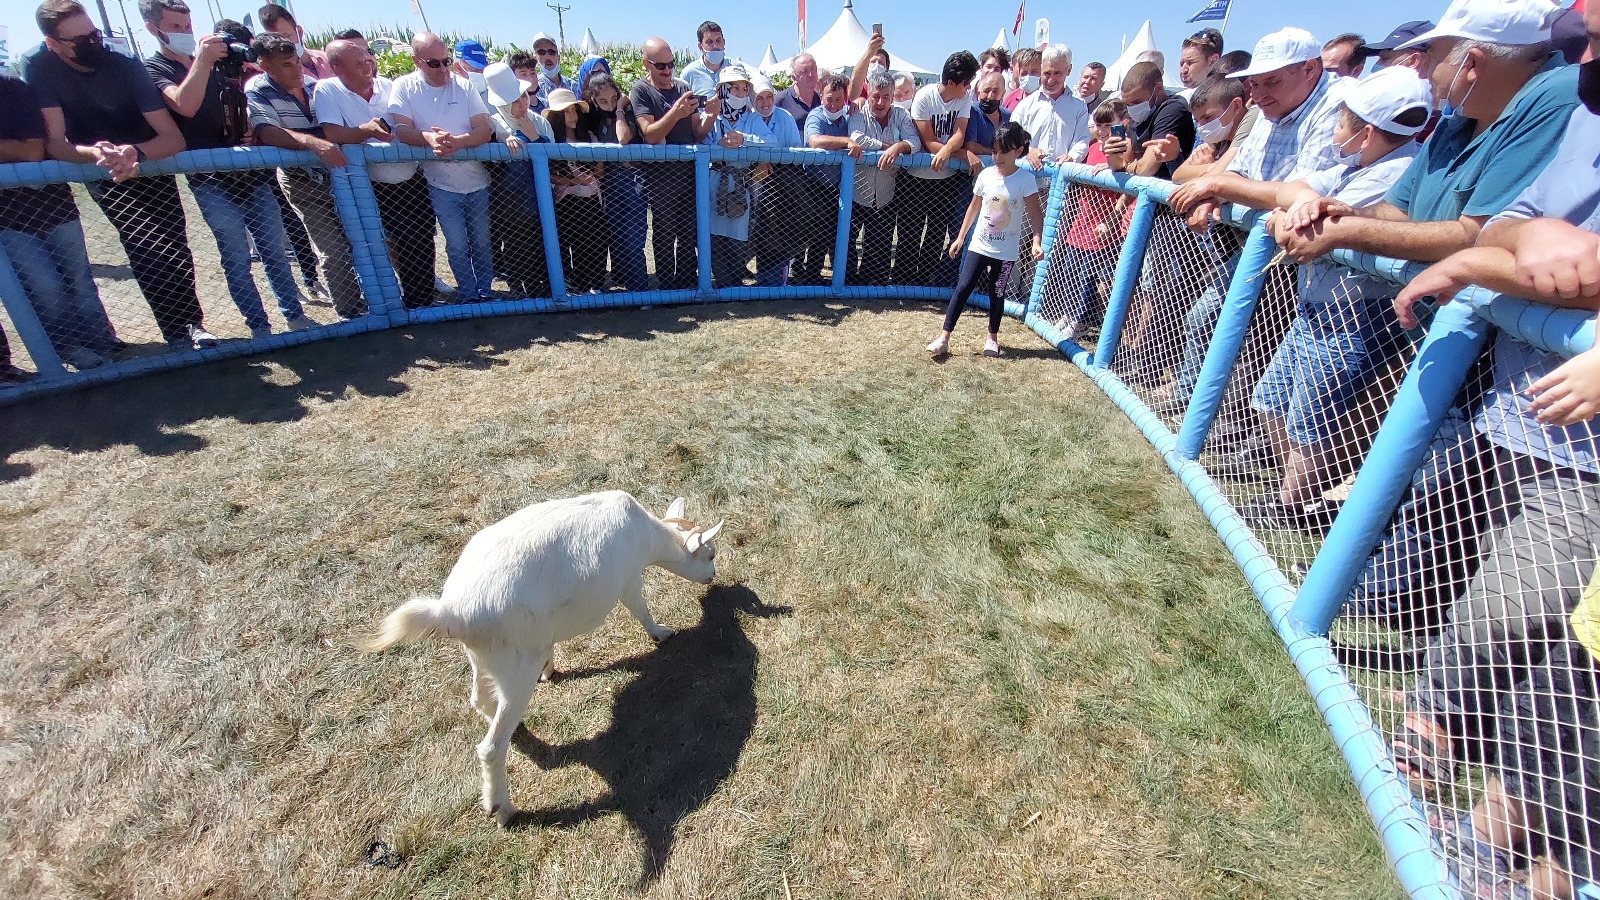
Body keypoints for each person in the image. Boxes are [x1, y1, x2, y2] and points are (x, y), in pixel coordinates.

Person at [1242, 67, 1432, 529]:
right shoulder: (1351, 167)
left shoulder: (1400, 171)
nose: (1333, 129)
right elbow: (1291, 194)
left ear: (1365, 132)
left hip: (1353, 314)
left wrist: (1294, 216)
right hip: (1315, 306)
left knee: (1314, 419)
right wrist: (1295, 206)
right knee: (1270, 401)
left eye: (1340, 121)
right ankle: (1292, 491)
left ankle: (1291, 505)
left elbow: (1317, 226)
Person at [1160, 27, 1348, 423]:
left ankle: (1225, 426)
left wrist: (1219, 185)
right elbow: (1242, 171)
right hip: (1259, 247)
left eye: (1272, 81)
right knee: (1212, 320)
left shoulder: (1336, 106)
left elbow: (1300, 192)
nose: (1259, 93)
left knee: (1255, 346)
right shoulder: (1268, 110)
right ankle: (1194, 404)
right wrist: (1215, 192)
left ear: (1310, 69)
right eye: (1254, 82)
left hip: (1309, 261)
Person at [22, 0, 219, 351]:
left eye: (94, 34)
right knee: (142, 244)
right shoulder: (39, 68)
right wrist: (100, 154)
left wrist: (135, 152)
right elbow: (55, 142)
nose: (91, 43)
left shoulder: (125, 65)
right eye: (78, 40)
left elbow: (173, 138)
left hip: (150, 161)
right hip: (104, 168)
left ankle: (193, 325)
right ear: (52, 43)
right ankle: (175, 331)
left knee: (175, 243)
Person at [143, 0, 314, 339]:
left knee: (275, 252)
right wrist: (204, 62)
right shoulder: (155, 68)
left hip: (252, 174)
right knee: (237, 258)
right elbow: (184, 106)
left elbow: (237, 102)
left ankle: (294, 317)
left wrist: (248, 127)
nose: (184, 33)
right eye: (176, 27)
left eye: (187, 25)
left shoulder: (220, 64)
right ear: (153, 28)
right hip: (210, 180)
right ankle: (259, 328)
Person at [245, 31, 369, 319]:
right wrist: (311, 142)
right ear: (266, 65)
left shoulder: (316, 86)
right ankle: (350, 312)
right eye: (286, 65)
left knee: (364, 238)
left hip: (341, 176)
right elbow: (267, 131)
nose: (297, 70)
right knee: (333, 249)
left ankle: (376, 299)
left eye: (296, 62)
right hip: (302, 181)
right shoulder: (258, 90)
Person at [0, 69, 118, 368]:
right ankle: (69, 349)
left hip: (54, 204)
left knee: (79, 278)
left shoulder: (13, 87)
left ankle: (101, 342)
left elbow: (33, 150)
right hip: (7, 219)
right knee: (44, 286)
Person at [314, 38, 441, 309]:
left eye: (367, 60)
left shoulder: (389, 86)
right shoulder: (326, 90)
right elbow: (333, 133)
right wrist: (367, 130)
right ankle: (389, 305)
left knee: (420, 238)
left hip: (410, 177)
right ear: (337, 68)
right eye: (358, 63)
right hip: (368, 185)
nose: (367, 67)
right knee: (378, 243)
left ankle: (423, 301)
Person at [388, 31, 497, 302]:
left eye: (446, 61)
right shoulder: (403, 87)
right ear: (417, 61)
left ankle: (485, 292)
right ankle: (469, 293)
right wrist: (429, 138)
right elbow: (401, 130)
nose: (443, 68)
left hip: (478, 180)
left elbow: (484, 129)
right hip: (440, 184)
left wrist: (455, 143)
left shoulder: (464, 86)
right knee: (457, 244)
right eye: (434, 63)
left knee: (483, 242)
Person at [925, 121, 1043, 359]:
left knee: (996, 293)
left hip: (1006, 251)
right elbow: (974, 207)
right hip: (978, 245)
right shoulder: (986, 175)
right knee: (962, 287)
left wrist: (1036, 241)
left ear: (1019, 150)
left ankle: (992, 338)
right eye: (994, 150)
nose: (997, 156)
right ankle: (944, 337)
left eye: (1004, 151)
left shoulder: (1025, 180)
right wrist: (959, 238)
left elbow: (1035, 213)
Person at [631, 36, 717, 289]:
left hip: (689, 175)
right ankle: (667, 286)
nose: (668, 70)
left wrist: (710, 115)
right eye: (661, 66)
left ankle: (688, 284)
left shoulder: (682, 87)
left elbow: (697, 133)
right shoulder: (641, 90)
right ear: (647, 64)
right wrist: (676, 112)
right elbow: (650, 134)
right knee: (665, 233)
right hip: (660, 179)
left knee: (690, 232)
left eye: (672, 63)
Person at [1051, 99, 1130, 339]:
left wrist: (1112, 220)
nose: (1103, 131)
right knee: (1070, 270)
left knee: (1090, 276)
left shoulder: (1124, 148)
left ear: (1122, 123)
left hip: (1103, 224)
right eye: (1099, 125)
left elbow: (1128, 188)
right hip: (1083, 219)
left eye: (1109, 125)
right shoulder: (1094, 147)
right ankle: (1067, 313)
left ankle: (1079, 319)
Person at [900, 50, 980, 287]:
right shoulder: (924, 97)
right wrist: (960, 152)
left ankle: (925, 281)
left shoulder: (964, 98)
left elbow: (959, 134)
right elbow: (928, 141)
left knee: (936, 233)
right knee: (909, 232)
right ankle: (905, 280)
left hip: (946, 179)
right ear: (952, 82)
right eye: (966, 83)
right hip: (915, 178)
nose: (969, 88)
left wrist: (948, 151)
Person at [481, 61, 553, 300]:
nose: (522, 103)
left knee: (543, 244)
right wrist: (501, 140)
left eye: (523, 96)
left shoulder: (541, 122)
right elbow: (487, 163)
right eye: (515, 99)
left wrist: (535, 138)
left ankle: (545, 289)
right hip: (508, 202)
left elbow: (557, 163)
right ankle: (518, 290)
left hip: (541, 198)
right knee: (515, 245)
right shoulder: (493, 125)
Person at [846, 69, 919, 285]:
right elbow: (856, 137)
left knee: (879, 244)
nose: (880, 102)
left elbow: (915, 142)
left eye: (886, 96)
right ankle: (847, 281)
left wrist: (899, 147)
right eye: (875, 96)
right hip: (856, 192)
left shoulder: (901, 115)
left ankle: (872, 284)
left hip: (886, 193)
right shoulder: (858, 115)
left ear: (892, 96)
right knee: (847, 241)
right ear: (868, 96)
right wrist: (888, 147)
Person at [580, 68, 650, 292]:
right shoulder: (593, 120)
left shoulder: (628, 114)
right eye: (603, 101)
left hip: (633, 183)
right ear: (594, 100)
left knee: (634, 241)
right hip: (610, 186)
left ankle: (640, 292)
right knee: (618, 241)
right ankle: (628, 291)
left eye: (613, 98)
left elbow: (623, 138)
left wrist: (619, 110)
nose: (609, 105)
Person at [702, 64, 770, 288]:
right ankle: (721, 284)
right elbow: (699, 142)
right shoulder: (710, 116)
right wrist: (717, 146)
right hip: (713, 182)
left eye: (744, 89)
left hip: (742, 184)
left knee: (739, 235)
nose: (741, 95)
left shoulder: (752, 118)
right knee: (714, 236)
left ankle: (735, 283)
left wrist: (745, 140)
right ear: (722, 90)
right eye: (734, 89)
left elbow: (772, 143)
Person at [540, 88, 609, 294]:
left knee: (597, 237)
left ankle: (594, 283)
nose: (573, 116)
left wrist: (596, 170)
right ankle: (573, 283)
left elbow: (600, 168)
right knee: (574, 239)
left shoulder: (588, 137)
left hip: (591, 198)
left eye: (574, 111)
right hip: (567, 201)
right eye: (567, 112)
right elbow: (546, 172)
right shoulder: (551, 142)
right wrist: (571, 180)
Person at [748, 73, 805, 287]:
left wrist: (774, 162)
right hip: (754, 183)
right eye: (759, 98)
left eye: (768, 97)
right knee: (758, 231)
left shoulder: (785, 117)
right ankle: (761, 276)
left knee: (781, 231)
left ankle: (778, 278)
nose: (765, 103)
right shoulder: (748, 118)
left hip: (782, 187)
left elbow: (795, 152)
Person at [802, 72, 859, 285]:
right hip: (815, 185)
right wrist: (846, 142)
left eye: (838, 99)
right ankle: (811, 278)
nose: (833, 105)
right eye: (829, 99)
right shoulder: (816, 115)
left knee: (845, 233)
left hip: (841, 187)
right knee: (819, 233)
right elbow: (814, 140)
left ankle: (845, 277)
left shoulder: (850, 116)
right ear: (821, 96)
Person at [1013, 44, 1091, 192]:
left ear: (1069, 70)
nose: (1051, 79)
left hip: (1061, 186)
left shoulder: (1079, 107)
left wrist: (1072, 157)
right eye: (1047, 73)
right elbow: (1011, 141)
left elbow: (1082, 140)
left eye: (1057, 73)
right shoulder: (1025, 106)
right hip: (1026, 186)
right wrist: (1027, 151)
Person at [1103, 60, 1194, 180]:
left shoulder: (1173, 108)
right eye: (1127, 104)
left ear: (1158, 88)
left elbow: (1146, 168)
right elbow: (1121, 162)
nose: (1132, 108)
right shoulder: (1138, 113)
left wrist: (1127, 167)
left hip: (1168, 192)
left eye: (1137, 102)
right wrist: (1112, 155)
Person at [1171, 73, 1249, 184]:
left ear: (1236, 106)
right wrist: (1211, 166)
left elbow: (1211, 180)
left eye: (1207, 118)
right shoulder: (1220, 137)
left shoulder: (1251, 120)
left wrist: (1209, 169)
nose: (1201, 126)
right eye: (1197, 121)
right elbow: (1177, 175)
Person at [257, 4, 332, 81]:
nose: (283, 44)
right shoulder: (282, 78)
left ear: (299, 32)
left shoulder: (328, 58)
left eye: (286, 36)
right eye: (276, 40)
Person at [965, 70, 1011, 155]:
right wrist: (996, 154)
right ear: (979, 92)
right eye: (986, 91)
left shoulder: (1008, 116)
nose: (990, 96)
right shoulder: (972, 111)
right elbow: (970, 146)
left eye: (996, 91)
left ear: (1003, 93)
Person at [681, 20, 729, 98]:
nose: (715, 46)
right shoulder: (689, 74)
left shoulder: (736, 68)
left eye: (718, 41)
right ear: (700, 46)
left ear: (724, 42)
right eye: (709, 42)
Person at [775, 52, 822, 122]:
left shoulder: (822, 100)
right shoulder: (780, 102)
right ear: (794, 78)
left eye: (813, 69)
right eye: (804, 71)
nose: (810, 74)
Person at [531, 32, 568, 107]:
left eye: (551, 52)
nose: (547, 57)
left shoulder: (572, 85)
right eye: (541, 52)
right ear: (535, 58)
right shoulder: (533, 89)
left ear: (558, 56)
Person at [1002, 47, 1040, 111]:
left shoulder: (1050, 99)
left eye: (1033, 72)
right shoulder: (1010, 98)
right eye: (1024, 73)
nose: (1028, 76)